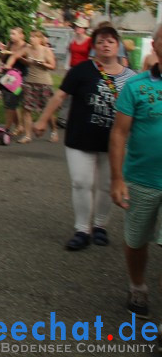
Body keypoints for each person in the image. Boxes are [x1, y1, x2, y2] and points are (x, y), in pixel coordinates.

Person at [34, 26, 134, 251]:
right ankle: (82, 229)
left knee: (107, 186)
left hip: (113, 143)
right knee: (81, 182)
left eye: (110, 41)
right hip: (80, 138)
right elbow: (60, 96)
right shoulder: (81, 70)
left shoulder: (131, 78)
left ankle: (100, 226)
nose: (105, 45)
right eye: (100, 41)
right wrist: (42, 120)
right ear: (94, 47)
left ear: (118, 45)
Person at [109, 24, 162, 316]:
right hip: (142, 180)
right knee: (136, 241)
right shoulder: (136, 86)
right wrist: (117, 178)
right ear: (154, 45)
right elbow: (118, 134)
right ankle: (138, 286)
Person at [24, 29, 58, 142]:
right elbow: (15, 55)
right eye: (30, 37)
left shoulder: (46, 50)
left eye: (34, 37)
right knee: (26, 109)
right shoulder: (27, 48)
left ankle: (54, 131)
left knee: (47, 109)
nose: (31, 39)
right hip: (30, 81)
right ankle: (27, 135)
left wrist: (42, 63)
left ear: (40, 39)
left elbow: (53, 66)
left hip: (44, 83)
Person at [0, 27, 30, 138]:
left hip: (21, 77)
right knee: (9, 102)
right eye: (10, 34)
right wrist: (3, 51)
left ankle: (9, 128)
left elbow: (28, 63)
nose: (11, 36)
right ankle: (18, 126)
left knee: (13, 101)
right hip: (8, 76)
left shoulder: (26, 46)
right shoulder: (9, 44)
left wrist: (17, 55)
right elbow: (3, 59)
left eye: (14, 34)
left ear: (21, 35)